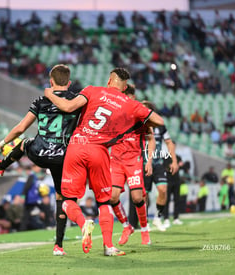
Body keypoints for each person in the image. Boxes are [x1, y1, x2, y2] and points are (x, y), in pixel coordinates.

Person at [44, 67, 164, 256]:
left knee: (67, 201)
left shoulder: (92, 90)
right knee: (105, 202)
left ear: (109, 80)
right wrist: (135, 123)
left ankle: (84, 224)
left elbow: (67, 107)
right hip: (99, 151)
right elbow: (158, 121)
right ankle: (109, 246)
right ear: (125, 87)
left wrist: (49, 94)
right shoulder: (130, 104)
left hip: (77, 145)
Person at [0, 64, 81, 256]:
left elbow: (20, 128)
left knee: (24, 142)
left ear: (50, 81)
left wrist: (1, 143)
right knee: (63, 199)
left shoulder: (41, 100)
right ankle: (59, 245)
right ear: (69, 83)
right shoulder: (77, 101)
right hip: (63, 156)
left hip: (41, 153)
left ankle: (1, 166)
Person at [109, 84, 155, 245]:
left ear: (133, 98)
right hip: (115, 161)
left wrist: (149, 160)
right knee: (112, 196)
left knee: (137, 197)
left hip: (133, 161)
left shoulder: (141, 116)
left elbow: (151, 139)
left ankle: (144, 229)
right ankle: (126, 226)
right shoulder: (113, 114)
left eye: (127, 96)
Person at [142, 101, 179, 231]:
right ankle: (144, 221)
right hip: (143, 163)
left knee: (163, 190)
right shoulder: (138, 124)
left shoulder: (160, 125)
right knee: (143, 195)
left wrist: (174, 161)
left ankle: (157, 218)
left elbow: (169, 143)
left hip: (157, 163)